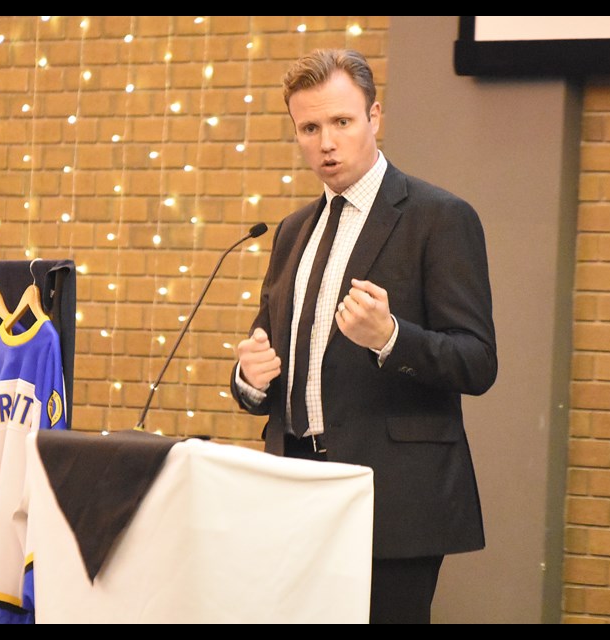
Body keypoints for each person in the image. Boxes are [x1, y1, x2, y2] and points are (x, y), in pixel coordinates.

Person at [230, 48, 497, 624]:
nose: (325, 142)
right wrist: (249, 379)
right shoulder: (291, 231)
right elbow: (267, 350)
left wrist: (392, 338)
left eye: (342, 122)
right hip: (294, 488)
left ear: (375, 117)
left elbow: (477, 362)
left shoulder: (439, 217)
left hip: (393, 496)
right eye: (309, 127)